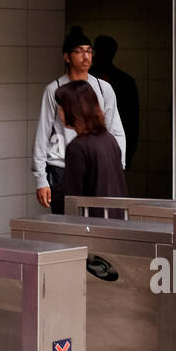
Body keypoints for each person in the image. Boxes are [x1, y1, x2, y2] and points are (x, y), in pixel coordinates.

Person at [32, 26, 125, 214]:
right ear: (67, 57)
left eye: (89, 51)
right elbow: (43, 132)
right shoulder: (55, 89)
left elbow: (116, 129)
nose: (86, 56)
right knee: (68, 218)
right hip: (61, 165)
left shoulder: (103, 87)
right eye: (80, 51)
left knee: (94, 217)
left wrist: (117, 164)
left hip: (96, 163)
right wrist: (41, 178)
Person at [54, 79, 127, 209]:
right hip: (114, 220)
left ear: (73, 109)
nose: (59, 112)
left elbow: (73, 197)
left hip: (91, 223)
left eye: (61, 107)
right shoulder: (109, 140)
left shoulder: (78, 147)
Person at [91, 34, 140, 172]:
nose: (96, 56)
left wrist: (126, 157)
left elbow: (131, 124)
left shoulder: (124, 82)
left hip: (113, 146)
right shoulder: (84, 80)